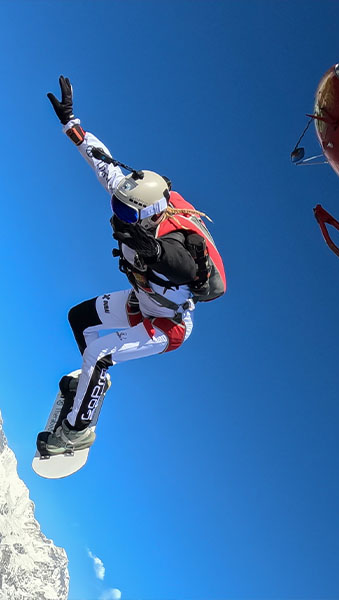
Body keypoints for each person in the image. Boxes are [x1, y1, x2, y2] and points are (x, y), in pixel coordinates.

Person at [40, 76, 224, 455]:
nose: (120, 215)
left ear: (152, 214)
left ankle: (76, 431)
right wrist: (71, 124)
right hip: (140, 300)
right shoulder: (138, 200)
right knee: (80, 319)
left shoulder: (178, 239)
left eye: (127, 212)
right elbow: (103, 164)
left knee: (97, 354)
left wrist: (159, 255)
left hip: (168, 324)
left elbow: (210, 284)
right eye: (119, 207)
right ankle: (93, 386)